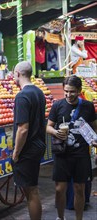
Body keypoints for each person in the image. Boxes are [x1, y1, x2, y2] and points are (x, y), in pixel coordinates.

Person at [46, 75, 97, 220]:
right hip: (62, 155)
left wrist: (95, 142)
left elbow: (95, 129)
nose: (68, 95)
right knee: (59, 189)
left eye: (72, 91)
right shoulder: (57, 105)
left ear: (79, 90)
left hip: (81, 155)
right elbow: (48, 127)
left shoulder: (87, 106)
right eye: (66, 91)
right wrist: (56, 132)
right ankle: (60, 217)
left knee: (79, 189)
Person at [12, 61, 46, 220]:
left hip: (27, 149)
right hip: (38, 145)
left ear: (18, 74)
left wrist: (16, 152)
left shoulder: (22, 96)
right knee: (32, 190)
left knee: (31, 192)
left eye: (13, 74)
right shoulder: (39, 92)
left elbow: (23, 129)